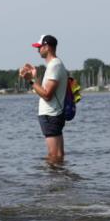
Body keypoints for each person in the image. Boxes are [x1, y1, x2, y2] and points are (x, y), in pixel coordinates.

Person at [20, 35, 68, 163]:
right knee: (58, 155)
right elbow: (45, 91)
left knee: (54, 156)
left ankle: (53, 182)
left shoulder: (54, 66)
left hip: (50, 115)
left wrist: (30, 81)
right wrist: (34, 78)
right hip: (53, 114)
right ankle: (59, 181)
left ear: (47, 47)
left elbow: (47, 95)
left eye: (39, 47)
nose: (38, 51)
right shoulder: (54, 65)